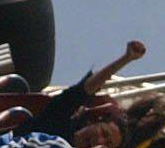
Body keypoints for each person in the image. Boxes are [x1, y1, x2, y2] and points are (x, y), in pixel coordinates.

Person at [15, 39, 146, 140]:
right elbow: (86, 89)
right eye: (103, 133)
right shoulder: (59, 117)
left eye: (107, 143)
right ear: (92, 122)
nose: (99, 141)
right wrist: (126, 58)